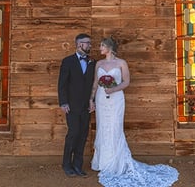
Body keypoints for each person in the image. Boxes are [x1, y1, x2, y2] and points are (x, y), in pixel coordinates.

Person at [89, 36, 179, 187]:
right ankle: (102, 162)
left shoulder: (121, 63)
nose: (100, 49)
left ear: (109, 48)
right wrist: (91, 99)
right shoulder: (99, 63)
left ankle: (116, 163)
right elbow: (95, 84)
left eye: (102, 46)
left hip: (116, 98)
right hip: (101, 99)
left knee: (115, 128)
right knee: (103, 128)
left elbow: (126, 82)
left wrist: (113, 89)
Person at [58, 33, 95, 178]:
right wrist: (63, 102)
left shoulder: (92, 61)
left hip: (86, 106)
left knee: (83, 135)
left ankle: (78, 165)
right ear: (80, 44)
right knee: (73, 134)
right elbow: (62, 84)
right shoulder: (68, 61)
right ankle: (66, 164)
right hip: (71, 106)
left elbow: (93, 84)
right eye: (88, 43)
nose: (90, 45)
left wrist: (93, 102)